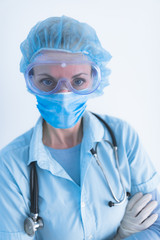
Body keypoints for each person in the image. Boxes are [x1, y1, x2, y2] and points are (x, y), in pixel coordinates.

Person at [0, 16, 160, 240]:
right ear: (31, 79)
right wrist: (122, 235)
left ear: (95, 80)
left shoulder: (123, 137)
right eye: (47, 81)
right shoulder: (9, 165)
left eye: (77, 81)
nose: (63, 94)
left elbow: (156, 225)